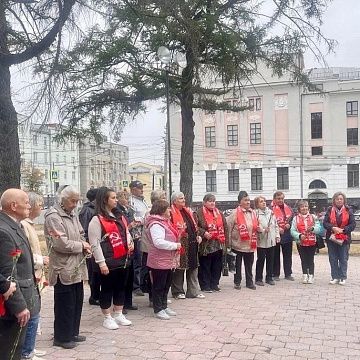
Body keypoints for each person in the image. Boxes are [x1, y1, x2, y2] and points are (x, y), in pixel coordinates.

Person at [44, 185, 90, 349]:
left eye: (77, 201)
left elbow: (81, 233)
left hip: (76, 265)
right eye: (73, 201)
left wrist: (84, 243)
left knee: (76, 301)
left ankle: (72, 333)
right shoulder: (53, 216)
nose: (75, 204)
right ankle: (62, 337)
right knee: (65, 303)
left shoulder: (72, 214)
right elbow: (60, 244)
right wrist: (81, 245)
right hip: (62, 268)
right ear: (62, 200)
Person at [0, 189, 40, 360]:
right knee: (10, 352)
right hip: (13, 308)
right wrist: (19, 307)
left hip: (24, 297)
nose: (29, 205)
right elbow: (8, 274)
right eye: (26, 201)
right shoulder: (4, 231)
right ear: (14, 205)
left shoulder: (13, 225)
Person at [88, 187, 133, 330]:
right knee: (107, 289)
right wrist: (101, 263)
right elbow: (94, 243)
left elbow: (125, 232)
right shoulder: (97, 219)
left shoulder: (119, 216)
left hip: (122, 259)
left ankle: (118, 313)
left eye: (115, 197)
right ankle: (107, 317)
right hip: (108, 261)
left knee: (121, 287)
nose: (116, 200)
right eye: (113, 198)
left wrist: (130, 241)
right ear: (104, 200)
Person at [21, 192, 48, 359]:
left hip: (36, 273)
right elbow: (26, 253)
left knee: (35, 311)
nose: (41, 207)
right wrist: (40, 260)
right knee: (31, 313)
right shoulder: (24, 225)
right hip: (31, 273)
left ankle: (30, 347)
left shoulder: (29, 224)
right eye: (39, 204)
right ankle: (27, 351)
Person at [145, 200, 181, 320]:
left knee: (166, 285)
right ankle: (158, 309)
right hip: (159, 261)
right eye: (168, 209)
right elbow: (158, 242)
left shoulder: (165, 222)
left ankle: (164, 306)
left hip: (168, 260)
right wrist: (175, 246)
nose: (170, 211)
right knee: (159, 286)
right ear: (162, 210)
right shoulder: (156, 224)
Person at [170, 192, 205, 299]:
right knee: (180, 268)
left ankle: (193, 291)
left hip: (192, 243)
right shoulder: (171, 212)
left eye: (184, 198)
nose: (183, 200)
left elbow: (194, 226)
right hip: (181, 243)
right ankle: (177, 291)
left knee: (193, 267)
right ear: (174, 201)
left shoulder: (187, 211)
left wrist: (198, 236)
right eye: (181, 198)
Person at [139, 189, 167, 307]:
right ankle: (153, 298)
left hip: (158, 248)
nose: (166, 199)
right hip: (150, 248)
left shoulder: (163, 212)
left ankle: (159, 297)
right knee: (152, 273)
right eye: (164, 197)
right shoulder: (150, 213)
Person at [226, 191, 259, 290]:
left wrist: (260, 228)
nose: (248, 202)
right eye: (245, 200)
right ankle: (237, 282)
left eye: (249, 200)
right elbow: (228, 228)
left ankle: (249, 282)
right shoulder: (234, 213)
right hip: (237, 245)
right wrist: (228, 244)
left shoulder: (253, 212)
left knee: (249, 265)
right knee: (238, 266)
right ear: (240, 202)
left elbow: (256, 224)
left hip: (250, 244)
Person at [196, 193, 228, 293]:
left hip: (218, 243)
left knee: (217, 265)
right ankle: (205, 285)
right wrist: (204, 233)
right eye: (210, 201)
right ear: (204, 202)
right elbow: (195, 227)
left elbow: (225, 226)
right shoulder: (199, 213)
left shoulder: (219, 213)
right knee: (205, 265)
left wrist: (226, 242)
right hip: (206, 245)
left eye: (213, 201)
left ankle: (214, 284)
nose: (212, 203)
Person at [323, 192, 356, 285]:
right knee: (333, 258)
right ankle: (335, 277)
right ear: (334, 200)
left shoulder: (349, 210)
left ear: (344, 200)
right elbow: (325, 223)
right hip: (332, 238)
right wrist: (333, 228)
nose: (339, 200)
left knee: (343, 258)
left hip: (344, 239)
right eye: (337, 199)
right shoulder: (329, 210)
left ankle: (342, 277)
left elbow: (353, 224)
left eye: (341, 199)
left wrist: (343, 230)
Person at [115, 190, 138, 313]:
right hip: (123, 245)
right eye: (125, 197)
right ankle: (121, 304)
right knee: (123, 278)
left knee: (130, 275)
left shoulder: (128, 209)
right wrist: (130, 226)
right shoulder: (118, 211)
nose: (128, 199)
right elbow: (121, 227)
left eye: (128, 197)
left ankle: (128, 302)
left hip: (132, 243)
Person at [290, 200, 321, 284]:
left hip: (312, 242)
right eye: (302, 206)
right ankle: (304, 274)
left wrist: (313, 229)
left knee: (310, 259)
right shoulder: (295, 218)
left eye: (306, 206)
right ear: (299, 209)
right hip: (301, 243)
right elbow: (292, 231)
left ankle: (311, 275)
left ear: (308, 208)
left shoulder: (313, 217)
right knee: (303, 259)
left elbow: (319, 229)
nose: (304, 208)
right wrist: (299, 236)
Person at [79, 188, 101, 306]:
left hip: (97, 243)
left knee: (97, 271)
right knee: (93, 271)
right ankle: (94, 296)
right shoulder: (87, 210)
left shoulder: (96, 209)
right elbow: (84, 229)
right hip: (91, 245)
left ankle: (97, 294)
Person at [129, 181, 149, 296]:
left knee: (142, 260)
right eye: (139, 188)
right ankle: (136, 286)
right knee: (137, 260)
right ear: (132, 189)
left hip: (144, 233)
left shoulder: (143, 201)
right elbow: (134, 218)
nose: (141, 190)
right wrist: (143, 219)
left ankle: (142, 284)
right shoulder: (131, 201)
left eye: (142, 187)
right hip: (136, 235)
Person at [254, 196, 279, 286]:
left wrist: (277, 235)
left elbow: (276, 225)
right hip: (261, 240)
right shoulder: (255, 214)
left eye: (264, 201)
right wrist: (263, 230)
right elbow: (255, 226)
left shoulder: (271, 213)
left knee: (271, 259)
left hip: (271, 240)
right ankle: (258, 278)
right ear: (257, 204)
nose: (264, 203)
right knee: (260, 260)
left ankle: (269, 277)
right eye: (261, 201)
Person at [271, 191, 294, 281]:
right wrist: (277, 229)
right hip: (276, 235)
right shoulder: (270, 209)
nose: (280, 200)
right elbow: (270, 223)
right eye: (278, 198)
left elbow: (294, 220)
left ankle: (288, 274)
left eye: (282, 198)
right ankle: (275, 274)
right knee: (276, 255)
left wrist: (290, 224)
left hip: (287, 235)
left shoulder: (289, 208)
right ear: (274, 199)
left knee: (288, 256)